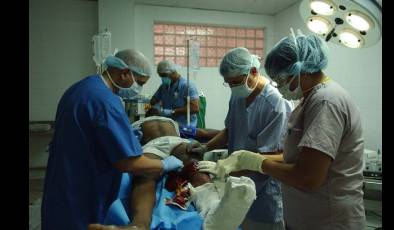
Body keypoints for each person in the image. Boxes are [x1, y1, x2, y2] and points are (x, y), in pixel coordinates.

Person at [198, 31, 366, 230]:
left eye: (280, 78)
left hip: (328, 220)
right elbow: (295, 157)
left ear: (300, 70)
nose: (277, 85)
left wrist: (258, 163)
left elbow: (309, 177)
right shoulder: (310, 100)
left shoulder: (325, 102)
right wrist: (243, 159)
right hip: (306, 216)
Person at [41, 49, 184, 230]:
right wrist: (164, 165)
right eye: (139, 83)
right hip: (83, 189)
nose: (138, 89)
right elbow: (129, 163)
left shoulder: (79, 89)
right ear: (124, 73)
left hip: (63, 181)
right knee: (145, 178)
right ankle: (139, 225)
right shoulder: (107, 102)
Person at [89, 116, 257, 230]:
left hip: (164, 144)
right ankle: (139, 225)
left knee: (183, 169)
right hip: (172, 143)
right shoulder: (166, 123)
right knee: (154, 173)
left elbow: (206, 134)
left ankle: (139, 225)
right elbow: (204, 132)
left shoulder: (142, 124)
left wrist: (210, 144)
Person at [189, 47, 290, 230]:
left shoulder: (275, 104)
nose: (233, 87)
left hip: (264, 192)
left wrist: (225, 169)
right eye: (228, 83)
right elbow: (230, 130)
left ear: (253, 71)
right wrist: (206, 148)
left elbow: (271, 155)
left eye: (235, 82)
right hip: (236, 184)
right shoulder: (238, 96)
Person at [149, 60, 200, 127]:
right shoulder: (164, 86)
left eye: (164, 76)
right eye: (161, 76)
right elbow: (153, 100)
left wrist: (172, 112)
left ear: (173, 72)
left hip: (185, 127)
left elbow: (195, 108)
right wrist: (156, 107)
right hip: (168, 126)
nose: (163, 78)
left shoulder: (187, 86)